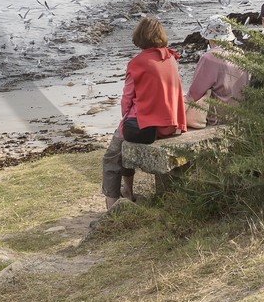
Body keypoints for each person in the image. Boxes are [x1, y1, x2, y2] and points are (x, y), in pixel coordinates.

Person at [101, 16, 186, 209]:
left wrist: (125, 118)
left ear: (140, 36)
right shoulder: (171, 58)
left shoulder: (137, 63)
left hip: (146, 127)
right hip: (170, 125)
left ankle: (112, 206)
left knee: (111, 157)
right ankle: (128, 191)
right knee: (124, 145)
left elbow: (126, 99)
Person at [186, 17, 250, 124]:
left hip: (217, 117)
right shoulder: (240, 54)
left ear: (210, 38)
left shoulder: (209, 57)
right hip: (239, 114)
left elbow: (194, 94)